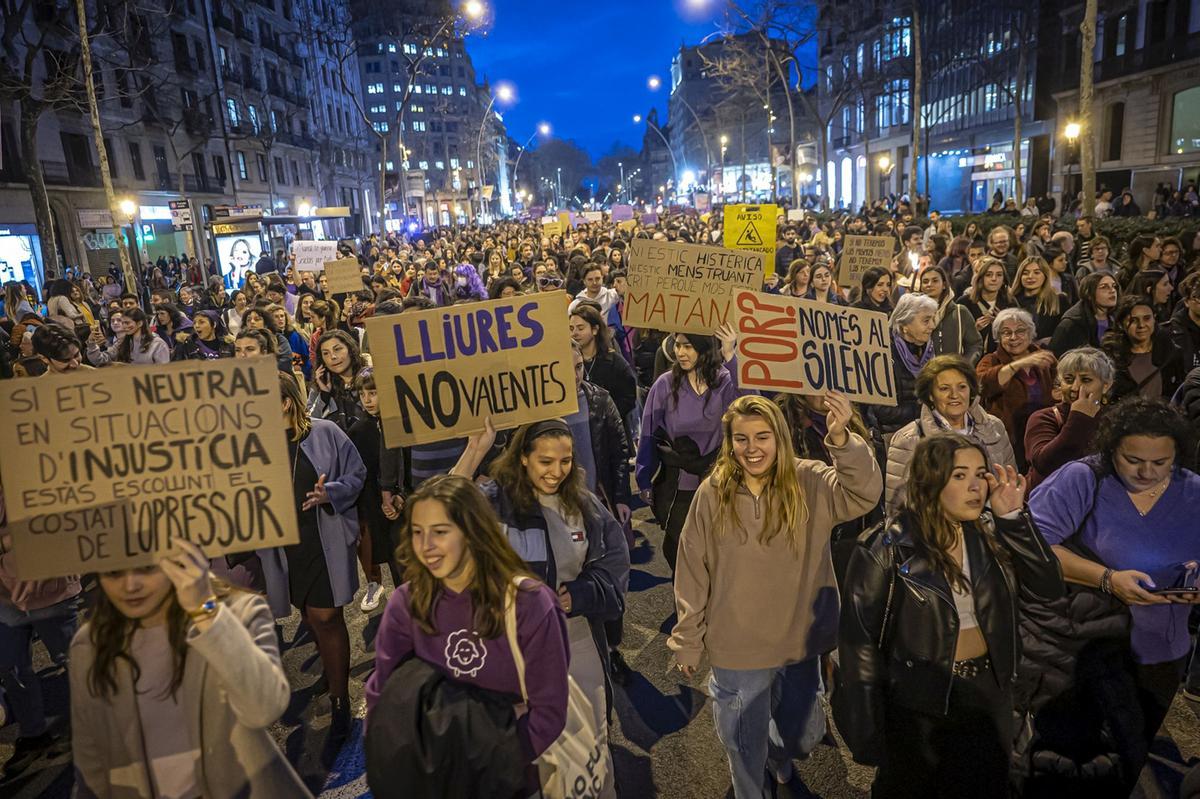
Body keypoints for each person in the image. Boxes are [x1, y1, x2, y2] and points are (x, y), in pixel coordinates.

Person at [669, 394, 882, 796]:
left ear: (780, 438)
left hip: (799, 642)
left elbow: (864, 493)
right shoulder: (712, 493)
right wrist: (687, 639)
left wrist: (843, 439)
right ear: (729, 442)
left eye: (762, 437)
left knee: (802, 737)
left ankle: (778, 755)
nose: (752, 449)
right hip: (737, 647)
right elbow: (692, 569)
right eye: (742, 439)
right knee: (742, 747)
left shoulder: (811, 480)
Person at [835, 433, 1064, 798]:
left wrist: (1014, 519)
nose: (975, 486)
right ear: (932, 480)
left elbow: (1049, 588)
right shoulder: (886, 547)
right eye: (959, 475)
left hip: (989, 694)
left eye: (980, 474)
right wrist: (867, 731)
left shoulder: (993, 530)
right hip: (919, 703)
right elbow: (859, 647)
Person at [1026, 398, 1200, 793]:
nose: (1147, 472)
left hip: (1158, 651)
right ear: (1110, 449)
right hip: (1081, 645)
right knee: (1069, 758)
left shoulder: (1192, 491)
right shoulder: (1083, 479)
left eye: (1161, 463)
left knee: (1130, 752)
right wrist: (1107, 578)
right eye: (1133, 459)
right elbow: (1031, 545)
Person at [452, 418, 629, 799]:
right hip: (512, 651)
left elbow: (614, 564)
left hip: (576, 642)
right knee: (529, 756)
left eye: (565, 461)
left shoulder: (583, 503)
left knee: (589, 747)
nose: (556, 472)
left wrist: (579, 595)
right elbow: (439, 513)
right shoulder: (493, 502)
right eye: (545, 462)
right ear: (523, 459)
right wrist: (474, 450)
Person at [364, 474, 570, 794]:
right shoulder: (406, 604)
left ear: (473, 532)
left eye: (440, 532)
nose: (426, 546)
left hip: (503, 782)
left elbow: (549, 712)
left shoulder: (530, 604)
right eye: (417, 533)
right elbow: (382, 698)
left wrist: (487, 770)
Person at [69, 537, 310, 798]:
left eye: (147, 567)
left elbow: (264, 707)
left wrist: (206, 613)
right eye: (114, 573)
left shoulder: (237, 612)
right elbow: (90, 760)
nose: (130, 585)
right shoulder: (89, 646)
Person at [257, 373, 366, 741]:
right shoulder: (255, 443)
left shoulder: (324, 433)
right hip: (285, 547)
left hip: (322, 540)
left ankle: (340, 701)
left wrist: (329, 493)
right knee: (309, 613)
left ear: (286, 402)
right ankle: (330, 674)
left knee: (327, 615)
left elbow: (357, 473)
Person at [637, 324, 748, 572]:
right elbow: (648, 432)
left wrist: (731, 355)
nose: (680, 352)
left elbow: (753, 406)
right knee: (682, 552)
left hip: (719, 485)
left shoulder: (725, 381)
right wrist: (644, 478)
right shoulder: (665, 385)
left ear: (704, 348)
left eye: (688, 346)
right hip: (679, 488)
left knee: (714, 555)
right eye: (677, 345)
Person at [0, 483, 80, 778]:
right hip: (5, 596)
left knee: (73, 662)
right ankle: (34, 736)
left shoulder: (38, 471)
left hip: (52, 591)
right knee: (12, 668)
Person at [885, 355, 1016, 514]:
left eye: (962, 387)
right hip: (938, 533)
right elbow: (898, 509)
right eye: (944, 388)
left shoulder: (995, 427)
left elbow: (1011, 484)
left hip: (992, 530)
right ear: (931, 395)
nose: (955, 395)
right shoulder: (909, 439)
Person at [974, 308, 1057, 469]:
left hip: (1042, 435)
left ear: (1030, 333)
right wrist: (1019, 364)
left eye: (1020, 331)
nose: (1013, 337)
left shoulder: (1045, 357)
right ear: (998, 337)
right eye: (1006, 333)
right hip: (1009, 438)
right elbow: (982, 385)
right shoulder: (991, 360)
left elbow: (1059, 387)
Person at [1024, 347, 1114, 491]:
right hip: (1049, 504)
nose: (1075, 387)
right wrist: (1079, 418)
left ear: (1106, 386)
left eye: (1086, 380)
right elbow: (1044, 464)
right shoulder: (1043, 418)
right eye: (1068, 379)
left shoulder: (1113, 421)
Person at [569, 303, 638, 438]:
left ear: (595, 329)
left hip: (610, 432)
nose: (574, 333)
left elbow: (628, 398)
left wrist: (606, 415)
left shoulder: (616, 363)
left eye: (580, 328)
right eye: (571, 328)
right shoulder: (565, 363)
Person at [1102, 295, 1187, 402]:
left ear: (1154, 319)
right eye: (1133, 320)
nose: (1141, 325)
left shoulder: (1171, 353)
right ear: (1121, 324)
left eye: (1147, 318)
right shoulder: (1111, 358)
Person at [875, 293, 938, 436]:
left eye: (933, 319)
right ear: (904, 326)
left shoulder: (932, 350)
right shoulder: (884, 354)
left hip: (927, 432)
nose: (932, 326)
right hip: (894, 436)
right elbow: (882, 410)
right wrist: (926, 410)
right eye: (926, 320)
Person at [919, 266, 982, 365]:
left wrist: (965, 365)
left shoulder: (959, 312)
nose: (929, 284)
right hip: (925, 373)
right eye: (925, 281)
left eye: (935, 281)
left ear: (944, 285)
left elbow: (975, 344)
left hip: (954, 372)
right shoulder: (916, 314)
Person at [1049, 272, 1120, 356]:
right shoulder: (1072, 323)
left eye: (1114, 286)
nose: (1112, 291)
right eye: (1104, 287)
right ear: (1089, 294)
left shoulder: (1118, 318)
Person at [957, 256, 1014, 355]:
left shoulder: (1010, 302)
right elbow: (954, 338)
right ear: (981, 278)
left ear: (1004, 279)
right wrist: (974, 331)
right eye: (989, 275)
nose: (994, 279)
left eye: (999, 275)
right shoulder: (964, 303)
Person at [86, 307, 170, 366]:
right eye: (123, 323)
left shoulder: (158, 344)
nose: (124, 326)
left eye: (127, 323)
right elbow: (101, 360)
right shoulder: (122, 342)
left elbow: (164, 372)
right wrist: (91, 344)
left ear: (140, 323)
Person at [1010, 257, 1065, 342]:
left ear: (1045, 275)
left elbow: (1065, 333)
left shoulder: (1059, 300)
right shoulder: (1011, 301)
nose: (1030, 277)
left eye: (1036, 272)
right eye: (1025, 273)